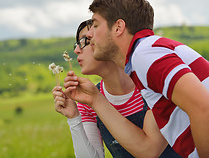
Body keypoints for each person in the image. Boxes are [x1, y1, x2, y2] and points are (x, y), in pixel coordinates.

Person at [65, 0, 209, 158]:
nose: (90, 34)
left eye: (95, 25)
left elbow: (203, 106)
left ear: (118, 27)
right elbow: (148, 149)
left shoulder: (144, 53)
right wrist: (94, 100)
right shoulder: (144, 60)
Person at [53, 19, 180, 158]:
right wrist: (74, 118)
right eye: (77, 44)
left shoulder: (150, 85)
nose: (77, 50)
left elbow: (150, 150)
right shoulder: (88, 101)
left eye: (85, 41)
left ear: (107, 42)